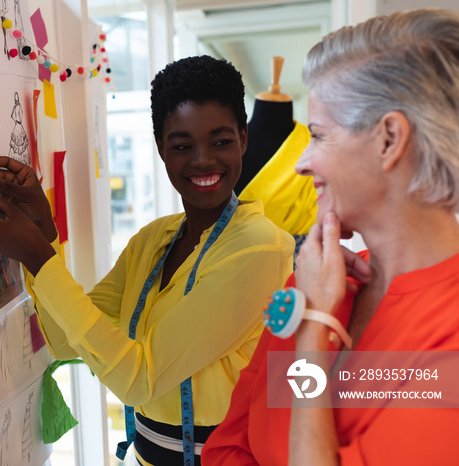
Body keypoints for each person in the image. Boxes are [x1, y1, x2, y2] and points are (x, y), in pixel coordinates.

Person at [0, 55, 294, 465]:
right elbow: (64, 340)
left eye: (221, 141)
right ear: (161, 149)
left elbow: (139, 380)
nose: (202, 160)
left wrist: (35, 254)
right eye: (182, 145)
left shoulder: (259, 249)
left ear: (243, 140)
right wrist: (42, 233)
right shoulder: (153, 241)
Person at [201, 9, 459, 465]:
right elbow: (227, 449)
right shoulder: (318, 284)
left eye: (318, 136)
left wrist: (315, 328)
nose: (302, 163)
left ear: (389, 140)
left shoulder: (447, 332)